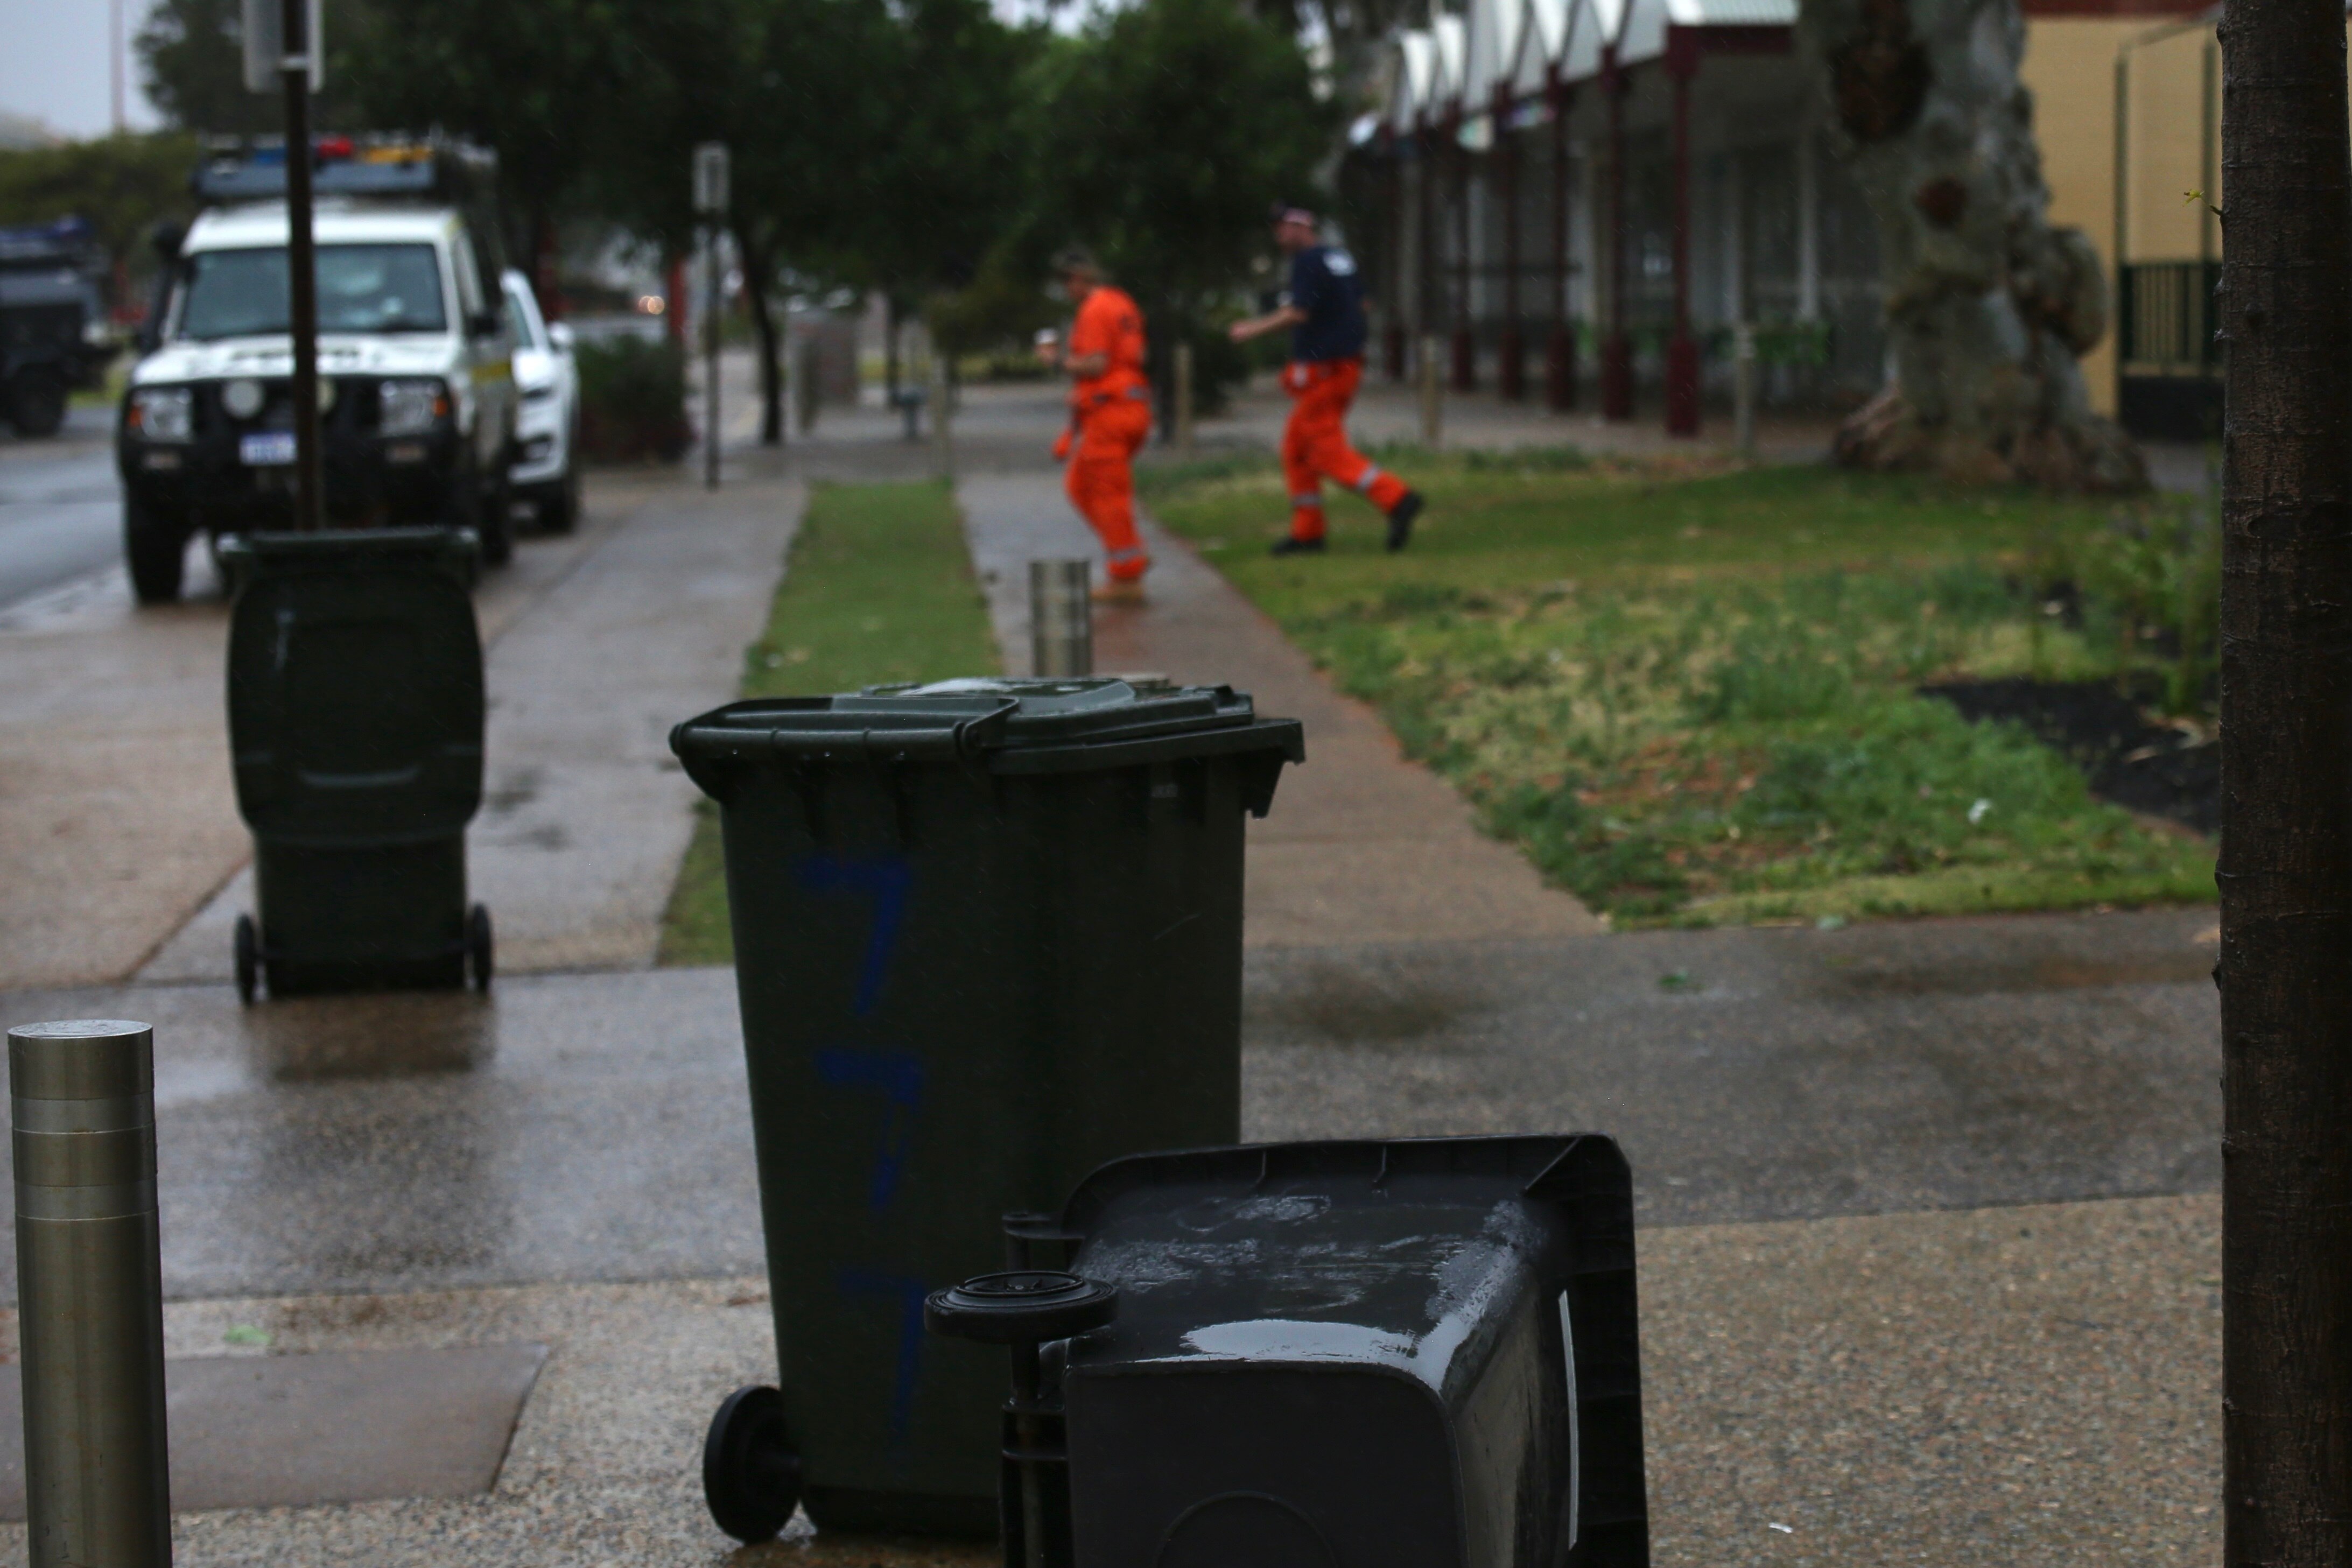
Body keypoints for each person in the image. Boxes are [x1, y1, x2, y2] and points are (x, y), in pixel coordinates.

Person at [1230, 206, 1423, 556]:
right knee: (1296, 450)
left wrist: (1250, 330)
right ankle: (1308, 532)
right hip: (1343, 366)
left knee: (1325, 452)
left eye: (1282, 228)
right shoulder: (1338, 258)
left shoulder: (1307, 262)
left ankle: (1396, 498)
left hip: (1325, 372)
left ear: (1301, 226)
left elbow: (1297, 313)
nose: (1279, 236)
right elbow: (1363, 304)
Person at [1040, 247, 1152, 601]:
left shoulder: (1093, 309)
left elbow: (1096, 363)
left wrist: (1056, 361)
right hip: (1131, 407)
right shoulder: (1121, 301)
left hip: (1110, 414)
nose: (1065, 290)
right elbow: (1135, 355)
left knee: (1106, 495)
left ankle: (1126, 578)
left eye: (1065, 282)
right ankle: (1130, 553)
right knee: (1080, 486)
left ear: (1077, 278)